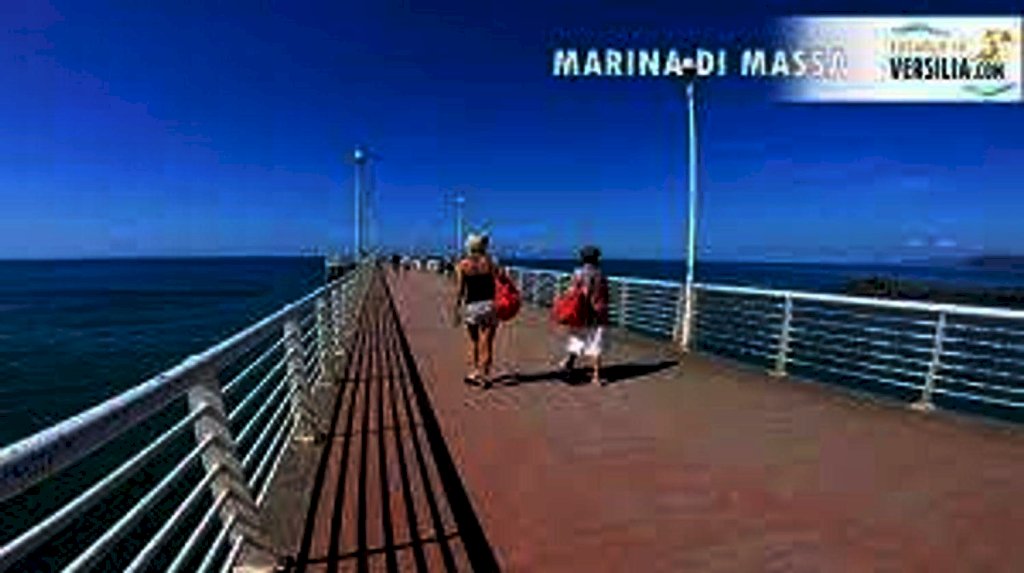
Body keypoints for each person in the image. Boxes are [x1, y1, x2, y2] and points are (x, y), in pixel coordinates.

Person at [454, 234, 501, 388]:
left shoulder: (462, 265)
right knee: (487, 343)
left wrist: (456, 309)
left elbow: (460, 290)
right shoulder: (491, 262)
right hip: (489, 305)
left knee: (474, 342)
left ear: (469, 246)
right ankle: (484, 376)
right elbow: (500, 280)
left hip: (472, 306)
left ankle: (475, 372)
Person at [559, 245, 610, 386]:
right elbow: (606, 296)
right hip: (598, 314)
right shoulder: (601, 274)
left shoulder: (577, 273)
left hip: (580, 313)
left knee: (577, 340)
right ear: (596, 258)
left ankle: (569, 364)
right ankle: (596, 377)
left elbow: (571, 292)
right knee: (596, 345)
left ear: (582, 258)